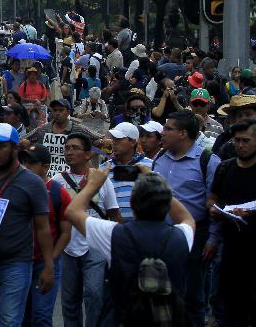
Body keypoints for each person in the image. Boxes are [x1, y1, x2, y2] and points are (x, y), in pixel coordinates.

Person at [65, 168, 195, 327]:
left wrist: (93, 184)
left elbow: (72, 211)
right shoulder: (181, 235)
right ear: (167, 205)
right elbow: (187, 217)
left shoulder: (114, 234)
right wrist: (156, 181)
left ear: (132, 205)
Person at [0, 123, 55, 327]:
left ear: (16, 149)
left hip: (15, 264)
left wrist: (49, 267)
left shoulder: (32, 183)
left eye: (1, 146)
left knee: (9, 322)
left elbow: (43, 228)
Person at [152, 110, 221, 327]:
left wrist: (212, 239)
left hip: (195, 235)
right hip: (162, 235)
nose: (162, 133)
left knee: (192, 295)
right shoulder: (160, 159)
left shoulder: (208, 161)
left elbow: (216, 205)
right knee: (162, 293)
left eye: (168, 128)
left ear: (183, 133)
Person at [53, 133, 121, 327]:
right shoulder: (57, 181)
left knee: (94, 295)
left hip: (95, 246)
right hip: (68, 248)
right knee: (69, 300)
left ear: (88, 154)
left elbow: (114, 213)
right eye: (67, 148)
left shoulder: (101, 180)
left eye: (75, 148)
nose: (69, 152)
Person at [207, 119, 256, 326]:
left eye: (246, 140)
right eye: (237, 141)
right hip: (230, 248)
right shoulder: (225, 168)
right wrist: (214, 209)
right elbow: (213, 198)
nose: (240, 145)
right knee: (231, 307)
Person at [18, 145, 71, 327]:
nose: (26, 166)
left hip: (46, 263)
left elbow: (65, 233)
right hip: (19, 262)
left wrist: (50, 261)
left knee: (41, 317)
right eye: (24, 162)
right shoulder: (16, 188)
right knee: (21, 317)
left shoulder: (58, 193)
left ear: (46, 166)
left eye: (32, 163)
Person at [103, 122, 153, 220]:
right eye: (113, 139)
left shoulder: (151, 166)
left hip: (140, 229)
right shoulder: (104, 168)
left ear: (133, 142)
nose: (113, 142)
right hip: (111, 229)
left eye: (118, 139)